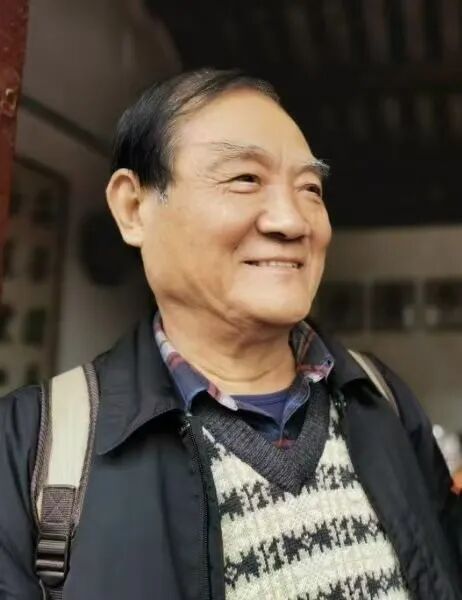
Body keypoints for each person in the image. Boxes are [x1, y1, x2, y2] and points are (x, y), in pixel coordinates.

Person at [0, 68, 461, 600]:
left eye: (310, 189)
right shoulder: (31, 447)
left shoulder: (380, 396)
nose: (293, 221)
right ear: (133, 207)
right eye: (245, 179)